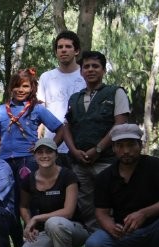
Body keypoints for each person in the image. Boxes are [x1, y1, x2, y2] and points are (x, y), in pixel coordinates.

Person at [84, 124, 159, 247]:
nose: (126, 151)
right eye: (120, 146)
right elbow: (101, 213)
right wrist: (111, 226)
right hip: (126, 233)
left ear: (140, 145)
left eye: (130, 145)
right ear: (113, 148)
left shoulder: (156, 166)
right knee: (94, 244)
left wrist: (144, 213)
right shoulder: (105, 177)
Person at [0, 68, 63, 247]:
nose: (20, 90)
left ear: (32, 88)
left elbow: (60, 129)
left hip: (28, 161)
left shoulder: (37, 109)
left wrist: (48, 147)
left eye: (25, 86)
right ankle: (18, 245)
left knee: (30, 202)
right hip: (5, 163)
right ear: (10, 88)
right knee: (10, 203)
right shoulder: (0, 110)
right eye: (16, 86)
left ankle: (37, 244)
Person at [63, 51, 130, 232]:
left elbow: (120, 124)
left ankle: (118, 243)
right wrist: (74, 151)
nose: (90, 70)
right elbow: (66, 127)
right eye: (86, 66)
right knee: (87, 206)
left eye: (95, 66)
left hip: (107, 161)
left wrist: (98, 149)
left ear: (103, 70)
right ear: (81, 71)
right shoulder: (74, 98)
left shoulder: (115, 93)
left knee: (113, 202)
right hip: (80, 163)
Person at [16, 138, 89, 247]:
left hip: (72, 228)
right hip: (44, 231)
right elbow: (23, 206)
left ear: (56, 154)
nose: (44, 156)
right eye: (40, 152)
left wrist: (36, 218)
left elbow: (68, 212)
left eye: (49, 152)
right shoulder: (28, 180)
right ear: (35, 156)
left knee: (54, 223)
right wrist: (28, 222)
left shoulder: (68, 176)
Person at [37, 31, 86, 166]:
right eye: (60, 47)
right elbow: (40, 111)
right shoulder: (46, 77)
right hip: (51, 146)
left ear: (76, 51)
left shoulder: (85, 76)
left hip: (79, 146)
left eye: (68, 46)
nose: (63, 50)